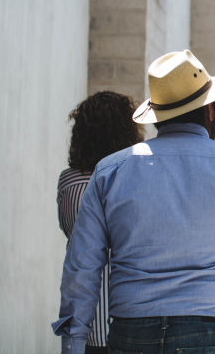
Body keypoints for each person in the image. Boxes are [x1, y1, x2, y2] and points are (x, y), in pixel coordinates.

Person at [53, 49, 215, 354]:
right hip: (214, 334)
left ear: (157, 115)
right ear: (211, 110)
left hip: (132, 334)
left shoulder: (111, 172)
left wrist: (73, 344)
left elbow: (81, 267)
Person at [57, 91, 144, 354]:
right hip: (131, 319)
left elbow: (74, 240)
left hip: (87, 323)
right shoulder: (136, 182)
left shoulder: (70, 182)